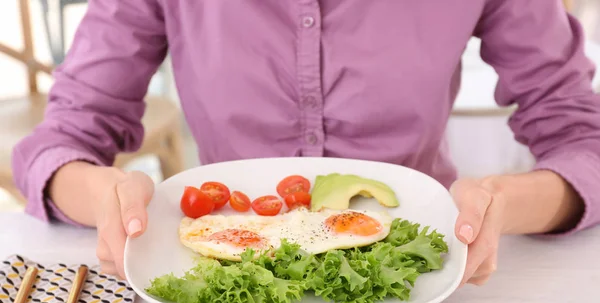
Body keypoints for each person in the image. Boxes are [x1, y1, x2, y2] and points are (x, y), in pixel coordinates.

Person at [11, 1, 600, 284]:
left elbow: (581, 135)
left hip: (424, 273)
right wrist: (110, 197)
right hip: (222, 265)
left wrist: (502, 204)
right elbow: (61, 141)